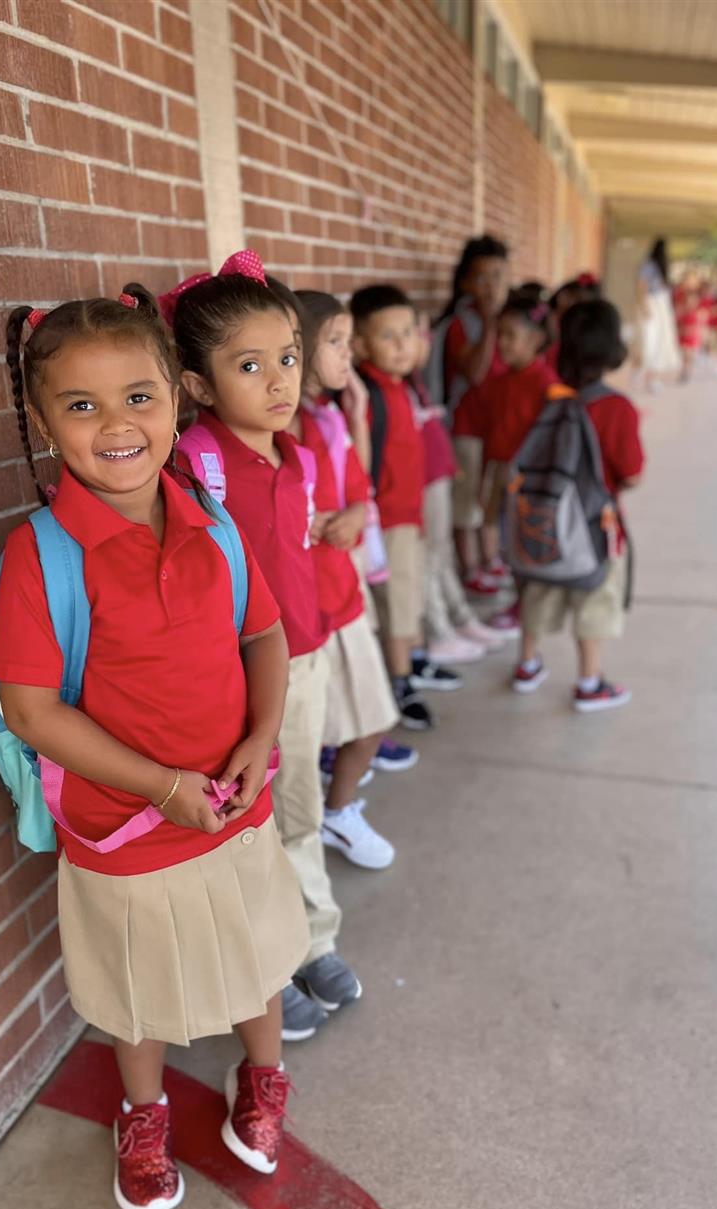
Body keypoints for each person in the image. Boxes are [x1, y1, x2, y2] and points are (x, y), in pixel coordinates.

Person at [0, 289, 309, 1209]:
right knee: (137, 990)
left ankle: (264, 1074)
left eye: (139, 396)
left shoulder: (211, 519)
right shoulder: (39, 553)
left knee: (256, 958)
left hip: (231, 808)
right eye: (81, 405)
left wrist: (260, 733)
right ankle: (143, 1107)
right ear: (42, 421)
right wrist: (162, 786)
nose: (117, 424)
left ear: (177, 398)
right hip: (127, 825)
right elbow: (35, 712)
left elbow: (266, 637)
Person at [165, 252, 362, 1044]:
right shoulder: (193, 466)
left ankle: (315, 939)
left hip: (303, 658)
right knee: (249, 828)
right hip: (234, 681)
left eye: (287, 357)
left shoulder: (300, 455)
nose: (281, 381)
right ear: (199, 386)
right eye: (251, 366)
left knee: (300, 812)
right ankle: (269, 970)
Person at [290, 289, 399, 870]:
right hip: (312, 609)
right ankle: (323, 817)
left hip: (343, 595)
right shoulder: (289, 426)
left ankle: (339, 809)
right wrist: (315, 523)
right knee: (310, 740)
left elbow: (358, 489)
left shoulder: (330, 415)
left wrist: (354, 514)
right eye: (334, 342)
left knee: (372, 719)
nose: (347, 353)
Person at [513, 299, 645, 711]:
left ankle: (527, 663)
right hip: (595, 525)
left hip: (545, 519)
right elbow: (633, 472)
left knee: (539, 591)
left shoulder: (548, 399)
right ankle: (589, 682)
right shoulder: (617, 408)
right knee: (594, 599)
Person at [350, 283, 437, 730]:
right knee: (397, 605)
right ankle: (401, 681)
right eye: (389, 336)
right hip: (387, 521)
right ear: (361, 344)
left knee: (409, 595)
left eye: (409, 332)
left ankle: (414, 661)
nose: (404, 344)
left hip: (409, 515)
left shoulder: (401, 386)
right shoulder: (368, 396)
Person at [454, 291, 557, 638]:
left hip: (527, 476)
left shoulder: (546, 384)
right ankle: (518, 599)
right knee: (506, 540)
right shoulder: (499, 382)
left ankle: (525, 604)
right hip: (499, 469)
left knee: (523, 541)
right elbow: (489, 430)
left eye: (511, 335)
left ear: (537, 339)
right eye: (500, 334)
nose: (502, 343)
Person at [427, 235, 510, 592]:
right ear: (465, 283)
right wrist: (491, 322)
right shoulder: (462, 324)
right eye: (482, 277)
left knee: (488, 501)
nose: (491, 285)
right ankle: (471, 567)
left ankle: (491, 559)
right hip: (466, 429)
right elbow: (475, 371)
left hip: (497, 429)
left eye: (498, 275)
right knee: (466, 505)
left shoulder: (510, 320)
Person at [634, 239, 681, 393]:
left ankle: (653, 378)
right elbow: (641, 286)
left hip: (661, 305)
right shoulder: (649, 265)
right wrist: (645, 306)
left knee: (660, 342)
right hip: (652, 304)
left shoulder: (661, 267)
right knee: (649, 340)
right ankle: (642, 372)